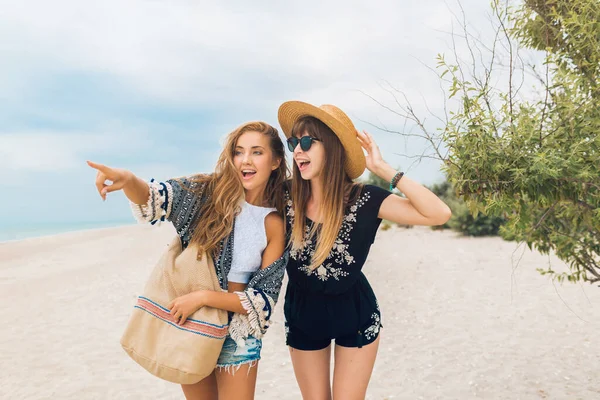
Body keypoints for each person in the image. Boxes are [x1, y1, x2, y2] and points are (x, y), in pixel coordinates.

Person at [88, 121, 288, 400]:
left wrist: (204, 296)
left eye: (257, 152)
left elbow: (263, 300)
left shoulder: (274, 223)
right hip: (194, 326)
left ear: (276, 161)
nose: (245, 160)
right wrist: (129, 180)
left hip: (238, 336)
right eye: (239, 151)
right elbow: (157, 198)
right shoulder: (207, 196)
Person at [278, 101, 452, 400]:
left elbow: (438, 214)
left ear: (331, 147)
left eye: (306, 141)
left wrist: (384, 170)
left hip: (354, 313)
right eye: (293, 142)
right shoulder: (284, 195)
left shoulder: (366, 199)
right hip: (303, 313)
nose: (297, 150)